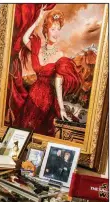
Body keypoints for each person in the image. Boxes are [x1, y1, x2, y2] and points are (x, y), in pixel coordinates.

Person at [8, 5, 80, 136]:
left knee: (36, 131)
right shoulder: (38, 49)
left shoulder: (60, 55)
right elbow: (25, 39)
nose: (56, 33)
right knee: (23, 128)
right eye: (53, 29)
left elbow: (59, 83)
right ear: (46, 31)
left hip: (47, 99)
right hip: (32, 97)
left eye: (58, 29)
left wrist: (62, 108)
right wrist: (38, 19)